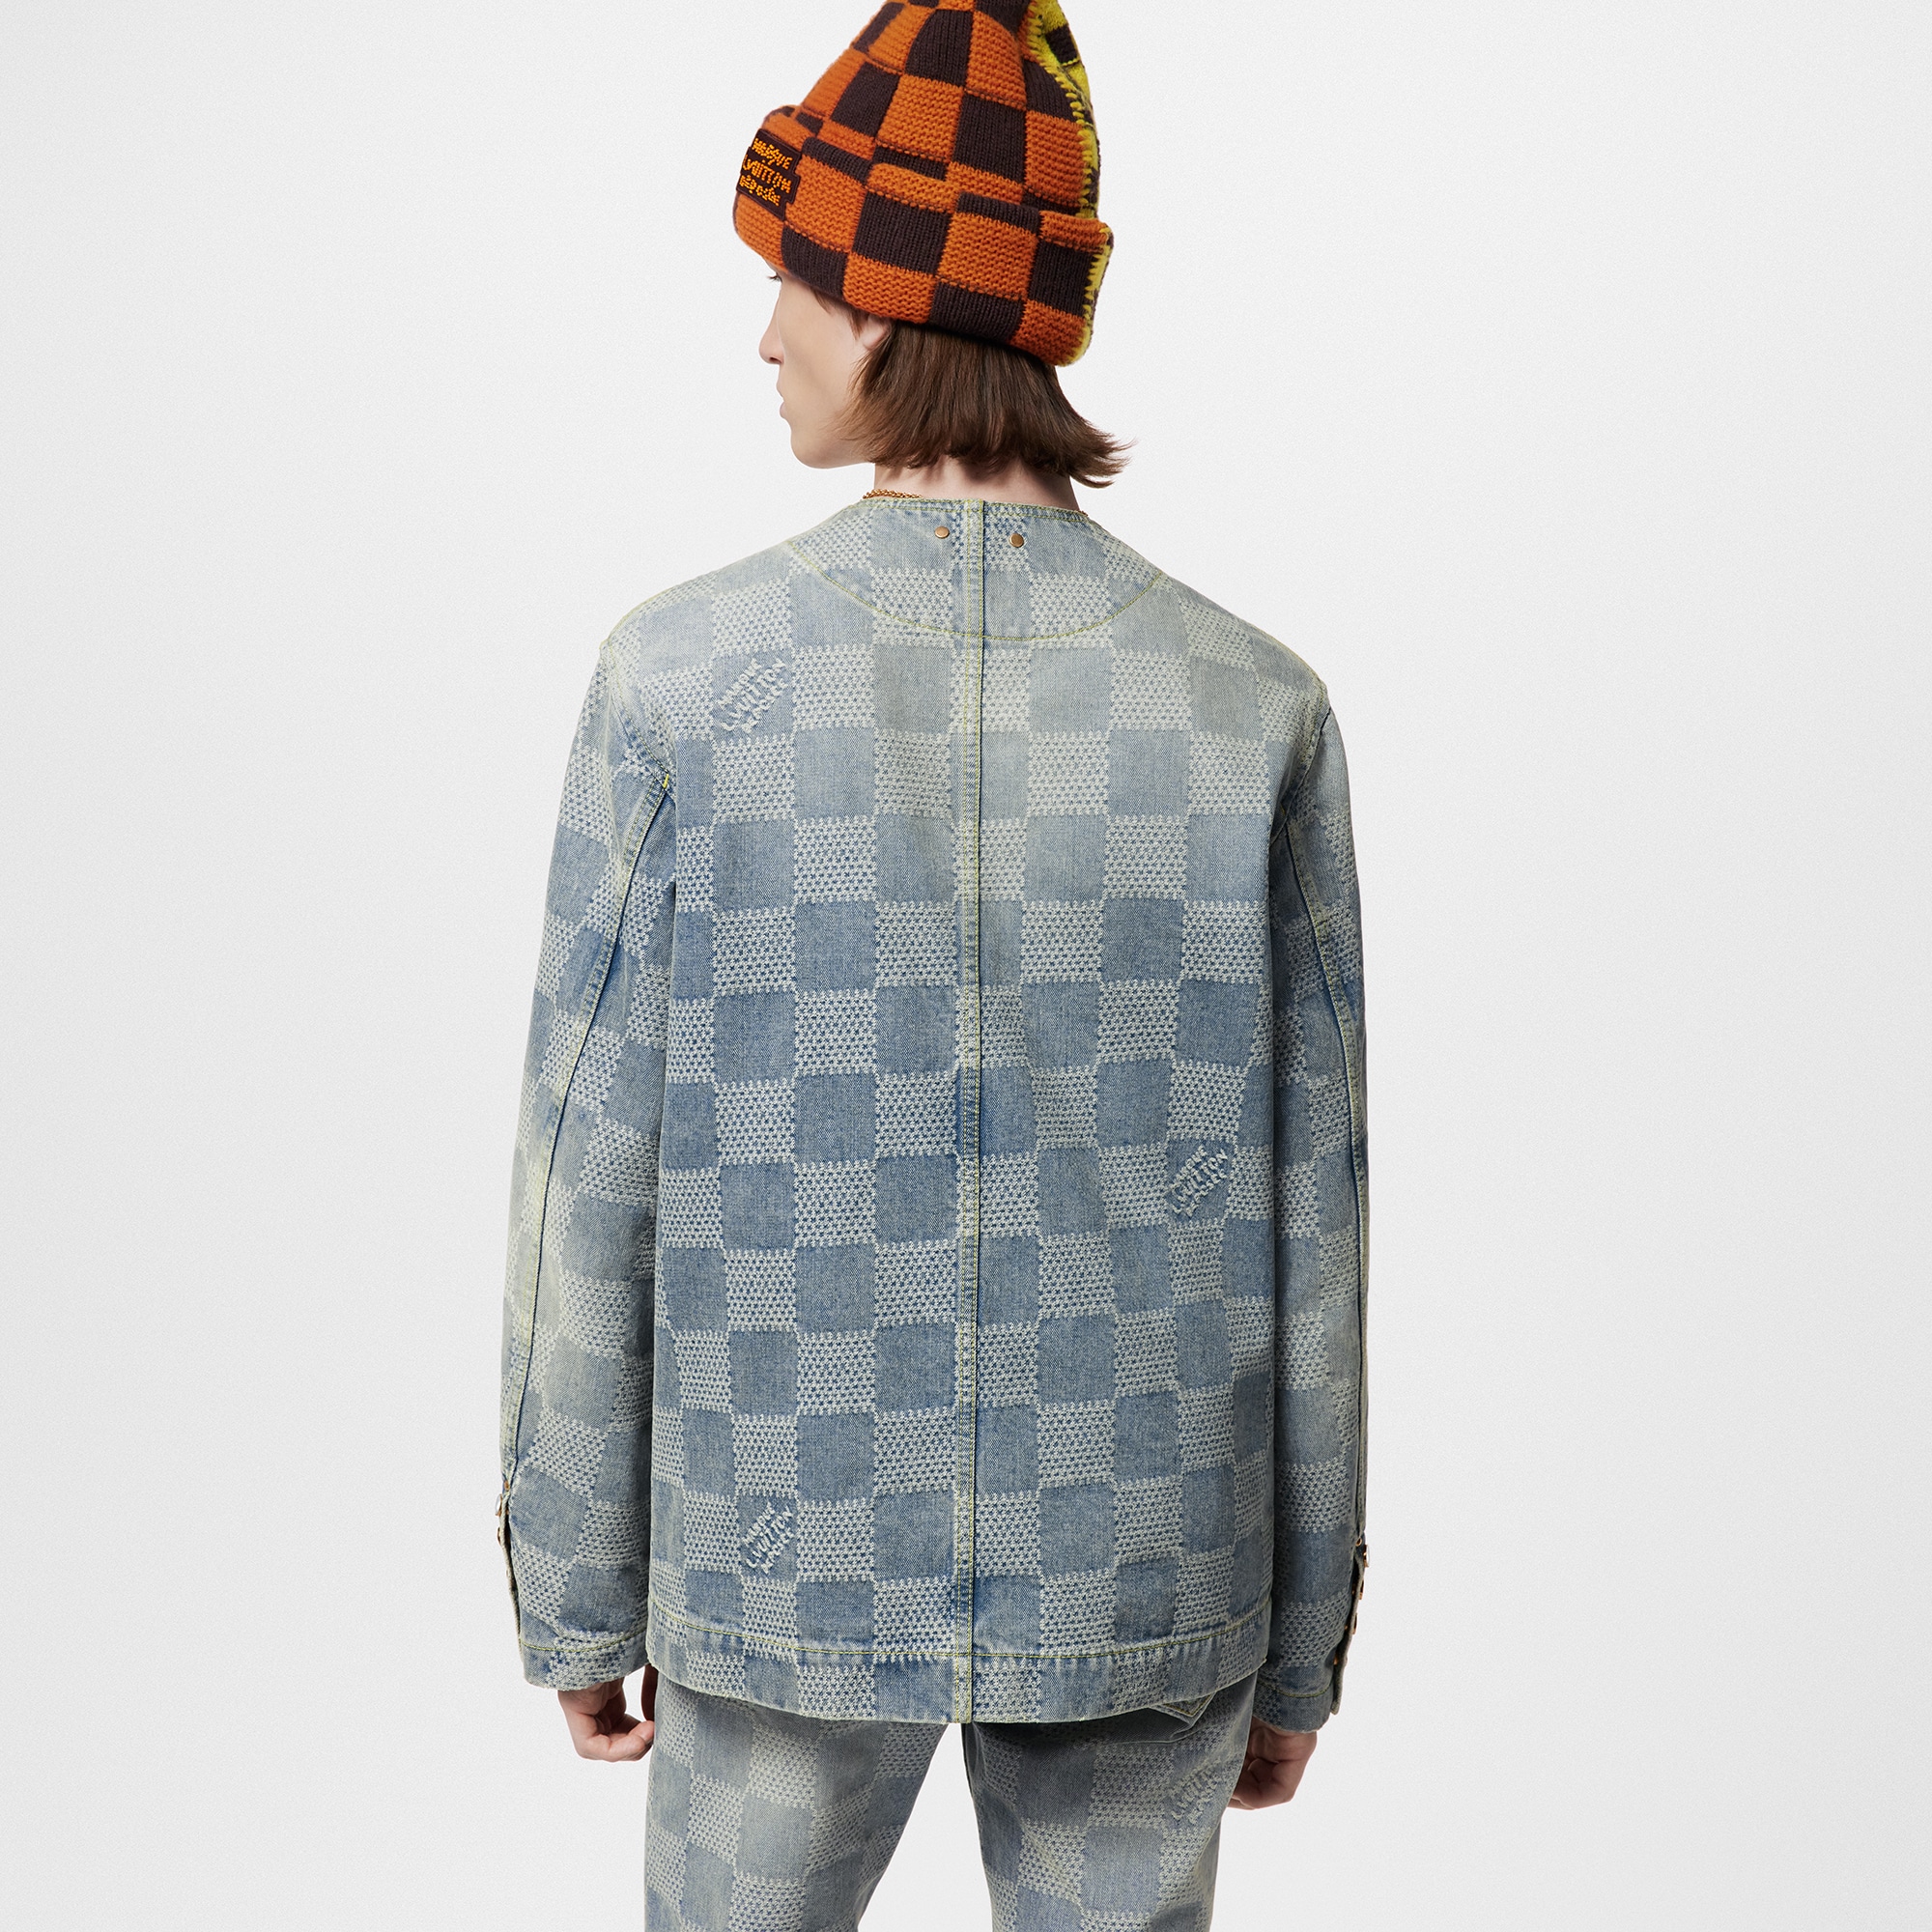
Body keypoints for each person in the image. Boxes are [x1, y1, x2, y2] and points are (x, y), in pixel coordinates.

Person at [497, 4, 1368, 1925]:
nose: (766, 336)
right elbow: (1316, 1217)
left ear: (893, 305)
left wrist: (573, 1582)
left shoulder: (678, 679)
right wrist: (1298, 1633)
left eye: (794, 283)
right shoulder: (1252, 704)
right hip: (1145, 1550)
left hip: (774, 1539)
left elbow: (586, 1174)